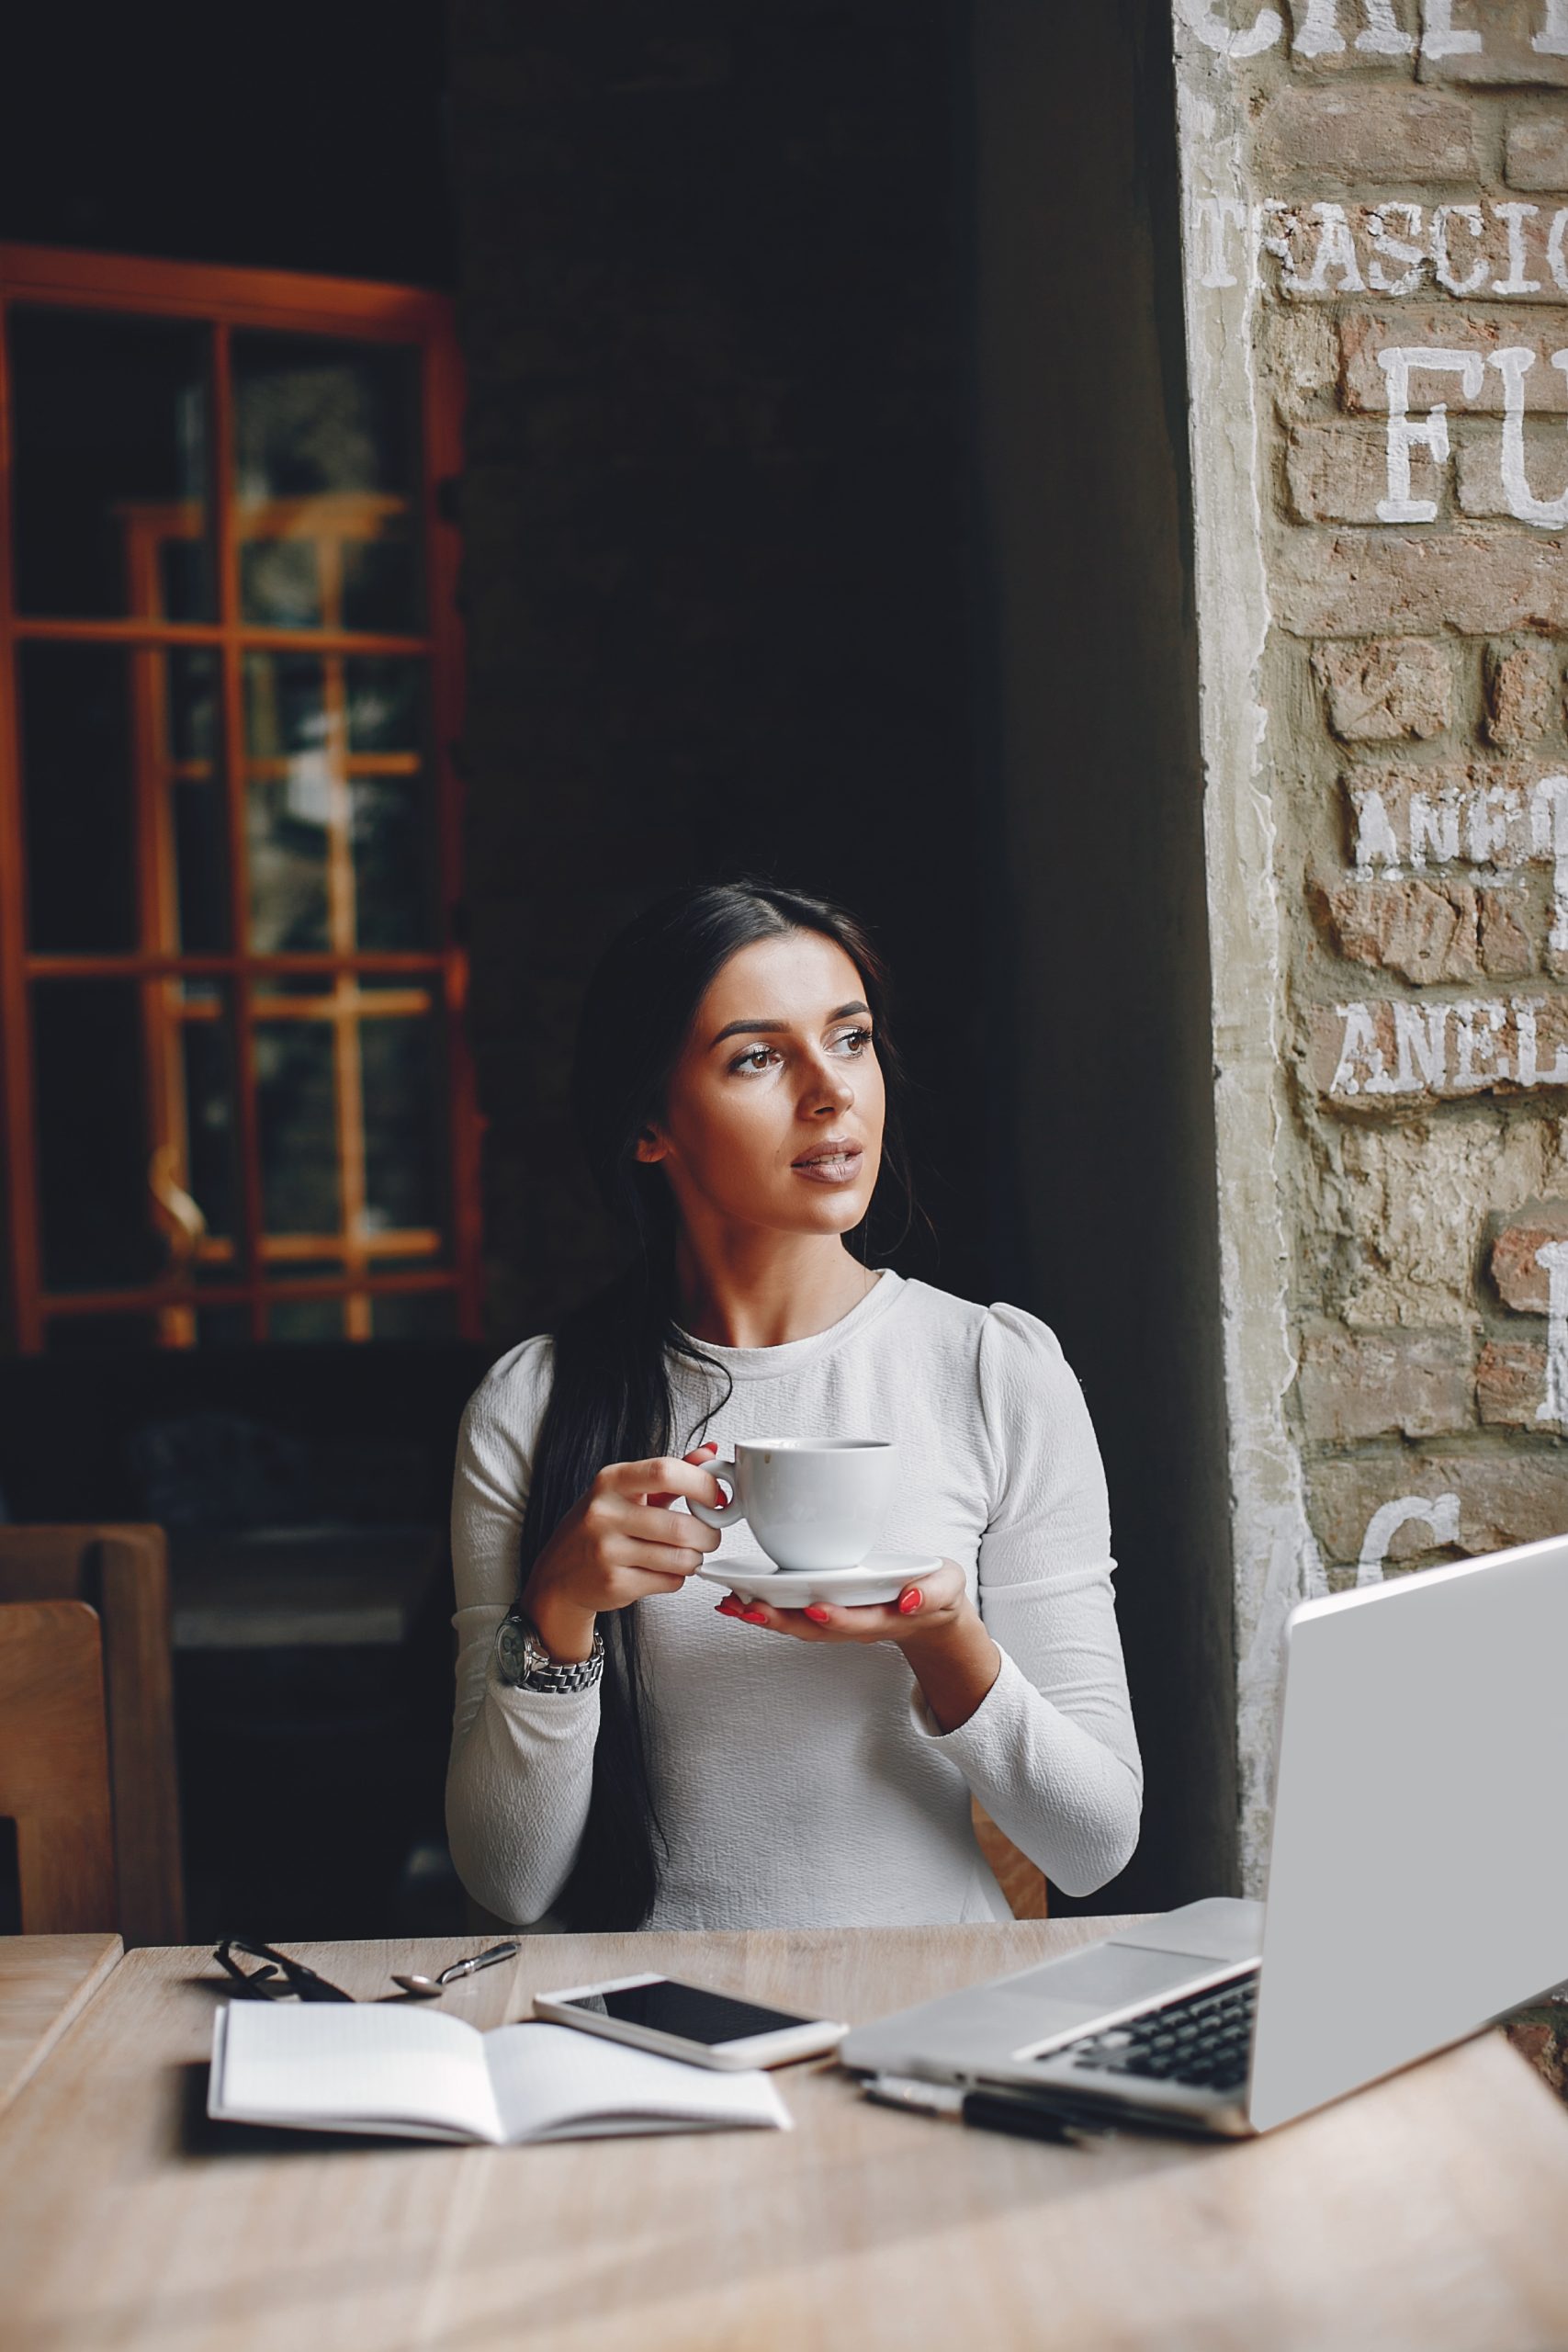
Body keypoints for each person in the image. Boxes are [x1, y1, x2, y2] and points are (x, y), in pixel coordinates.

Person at [446, 879, 1142, 1930]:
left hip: (933, 2022)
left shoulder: (995, 1370)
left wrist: (945, 1641)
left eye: (851, 1039)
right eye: (758, 1057)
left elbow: (1095, 1848)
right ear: (649, 1122)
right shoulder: (535, 1405)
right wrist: (558, 1617)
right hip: (650, 2027)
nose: (832, 1093)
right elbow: (509, 1879)